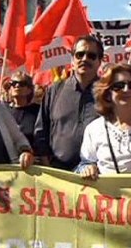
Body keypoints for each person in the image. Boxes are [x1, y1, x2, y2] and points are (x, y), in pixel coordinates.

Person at [33, 35, 102, 170]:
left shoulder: (109, 92)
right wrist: (47, 165)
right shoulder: (54, 91)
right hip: (60, 175)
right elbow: (41, 131)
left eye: (91, 56)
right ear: (72, 59)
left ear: (99, 61)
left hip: (97, 174)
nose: (84, 59)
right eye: (79, 55)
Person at [7, 72, 40, 146]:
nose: (17, 86)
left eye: (22, 84)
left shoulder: (38, 111)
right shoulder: (3, 110)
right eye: (13, 83)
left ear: (29, 89)